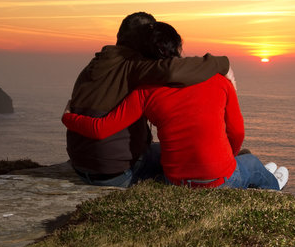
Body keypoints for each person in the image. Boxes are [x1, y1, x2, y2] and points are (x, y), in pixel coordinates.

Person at [63, 22, 289, 190]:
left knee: (163, 151)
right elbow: (237, 132)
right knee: (249, 162)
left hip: (176, 182)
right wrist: (227, 159)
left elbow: (102, 128)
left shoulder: (144, 91)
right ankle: (273, 186)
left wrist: (68, 116)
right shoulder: (220, 81)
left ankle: (255, 174)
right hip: (218, 180)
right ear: (178, 49)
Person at [66, 12, 233, 187]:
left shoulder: (91, 67)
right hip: (118, 173)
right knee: (183, 157)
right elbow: (172, 70)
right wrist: (222, 63)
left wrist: (68, 118)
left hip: (82, 167)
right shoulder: (136, 65)